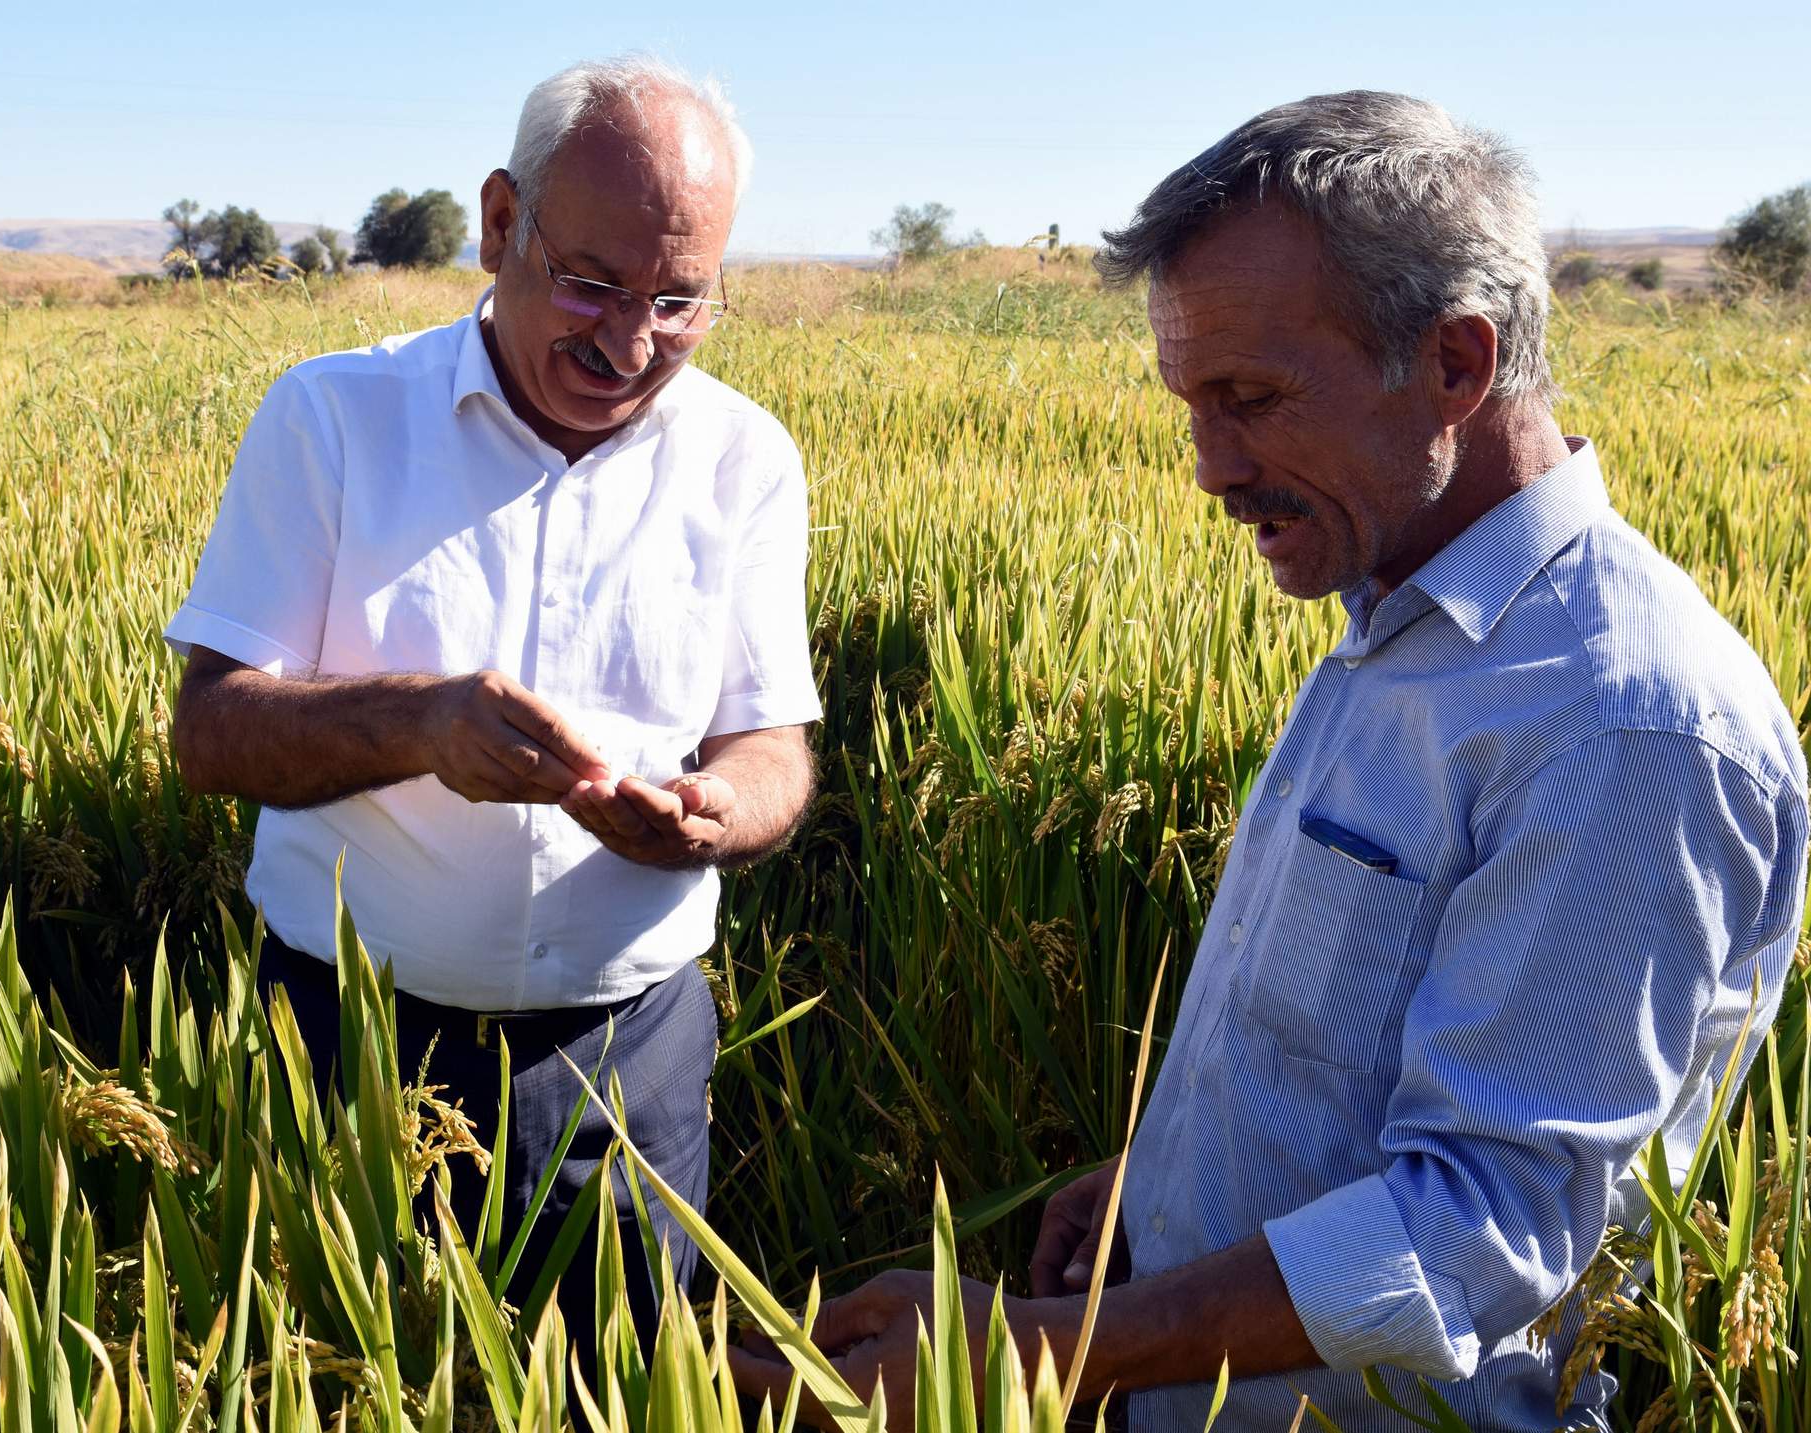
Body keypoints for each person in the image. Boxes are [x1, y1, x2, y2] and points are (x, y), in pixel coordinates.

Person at [732, 91, 1808, 1430]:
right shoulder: (1398, 617)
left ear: (1458, 364)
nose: (1207, 467)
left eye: (1251, 400)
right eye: (1192, 404)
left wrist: (1044, 1348)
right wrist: (1166, 1170)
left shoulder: (1618, 726)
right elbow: (1355, 1043)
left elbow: (1483, 1231)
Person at [165, 55, 821, 1345]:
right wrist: (417, 724)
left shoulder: (744, 458)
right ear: (502, 222)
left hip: (631, 1065)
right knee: (341, 1379)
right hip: (346, 1050)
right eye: (591, 284)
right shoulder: (333, 418)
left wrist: (713, 812)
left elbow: (774, 744)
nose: (630, 343)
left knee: (623, 1384)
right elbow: (210, 726)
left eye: (680, 301)